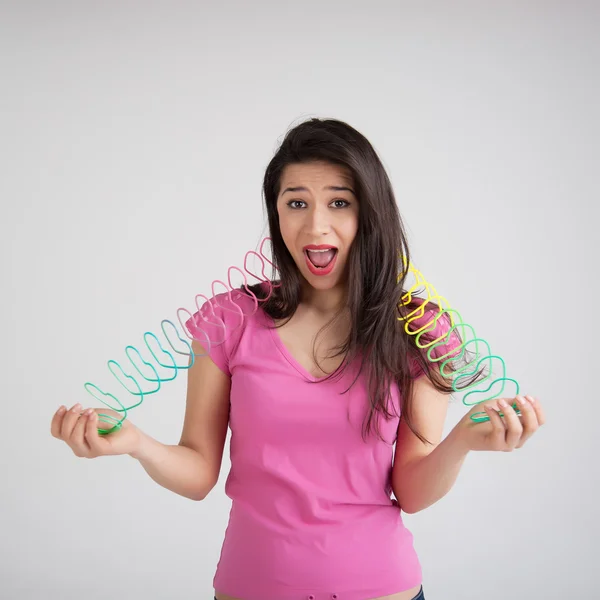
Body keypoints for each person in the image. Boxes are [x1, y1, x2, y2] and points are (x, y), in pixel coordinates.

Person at [51, 118, 545, 600]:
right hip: (251, 586)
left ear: (369, 214)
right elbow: (199, 472)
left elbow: (411, 492)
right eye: (296, 203)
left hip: (382, 588)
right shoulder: (229, 320)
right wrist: (137, 442)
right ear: (277, 215)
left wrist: (461, 441)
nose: (316, 224)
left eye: (339, 202)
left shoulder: (417, 329)